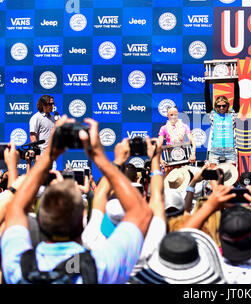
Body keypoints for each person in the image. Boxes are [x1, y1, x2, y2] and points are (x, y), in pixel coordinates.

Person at [1, 115, 153, 284]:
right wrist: (101, 158)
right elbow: (141, 213)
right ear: (83, 221)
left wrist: (48, 155)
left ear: (40, 221)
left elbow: (15, 208)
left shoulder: (18, 266)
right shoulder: (101, 266)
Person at [204, 79, 240, 167]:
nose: (221, 108)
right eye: (218, 106)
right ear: (215, 106)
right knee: (214, 177)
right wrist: (207, 82)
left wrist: (235, 81)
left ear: (227, 105)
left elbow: (237, 97)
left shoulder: (232, 115)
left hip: (230, 150)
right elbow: (207, 98)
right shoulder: (212, 115)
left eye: (223, 105)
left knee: (231, 179)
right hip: (215, 150)